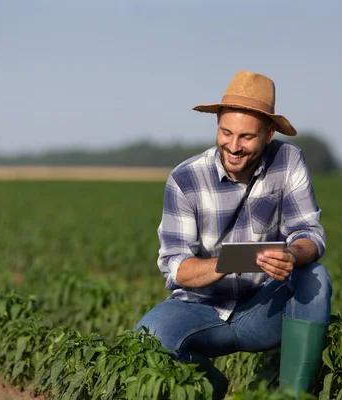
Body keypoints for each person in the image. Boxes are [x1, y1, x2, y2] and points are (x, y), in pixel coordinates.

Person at [134, 70, 332, 399]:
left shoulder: (288, 161)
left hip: (262, 307)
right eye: (226, 133)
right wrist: (230, 261)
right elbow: (176, 266)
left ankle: (293, 396)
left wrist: (292, 256)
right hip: (200, 308)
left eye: (247, 137)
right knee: (146, 339)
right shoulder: (185, 179)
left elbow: (309, 233)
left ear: (269, 134)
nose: (234, 146)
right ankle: (211, 387)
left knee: (315, 276)